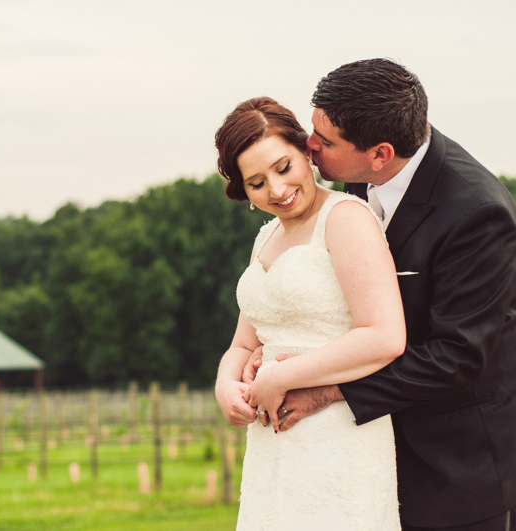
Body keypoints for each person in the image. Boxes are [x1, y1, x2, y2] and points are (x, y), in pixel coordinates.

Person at [240, 59, 516, 530]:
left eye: (324, 140)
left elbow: (455, 356)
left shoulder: (477, 213)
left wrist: (329, 390)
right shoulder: (355, 173)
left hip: (452, 466)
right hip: (359, 454)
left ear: (380, 155)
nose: (309, 143)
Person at [213, 95, 406, 529]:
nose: (277, 190)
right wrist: (226, 384)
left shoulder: (345, 218)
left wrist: (280, 377)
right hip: (272, 444)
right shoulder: (265, 238)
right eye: (257, 182)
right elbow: (244, 343)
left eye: (283, 168)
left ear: (306, 151)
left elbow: (385, 336)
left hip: (338, 434)